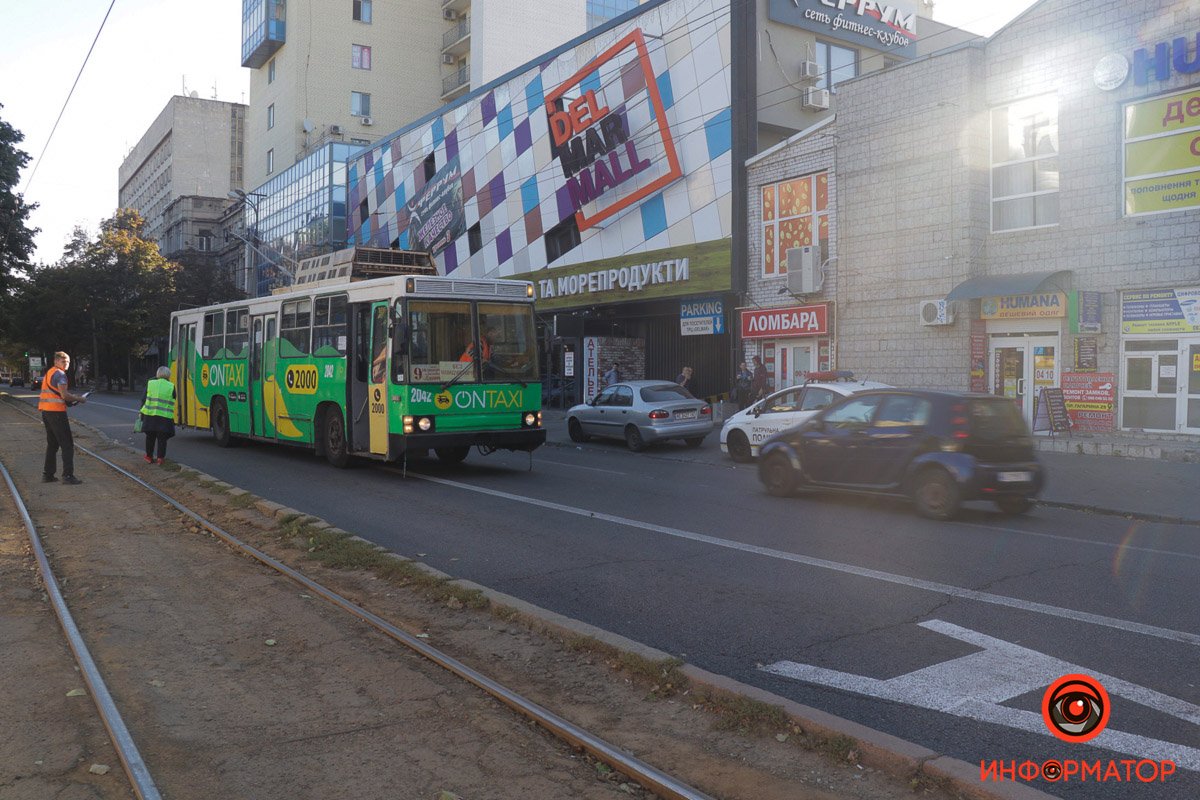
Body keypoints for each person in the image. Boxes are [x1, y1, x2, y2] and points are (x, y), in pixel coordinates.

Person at [39, 351, 87, 484]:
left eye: (68, 361)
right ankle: (68, 476)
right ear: (56, 361)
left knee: (53, 444)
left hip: (46, 411)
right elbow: (64, 395)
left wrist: (72, 398)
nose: (66, 364)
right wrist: (79, 399)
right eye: (63, 361)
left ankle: (48, 475)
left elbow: (57, 393)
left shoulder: (50, 372)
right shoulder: (60, 374)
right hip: (57, 413)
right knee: (67, 445)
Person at [139, 366, 177, 465]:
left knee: (150, 437)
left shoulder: (150, 383)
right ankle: (160, 459)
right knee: (162, 439)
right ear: (168, 375)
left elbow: (143, 399)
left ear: (157, 374)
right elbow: (174, 397)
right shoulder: (171, 386)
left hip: (150, 415)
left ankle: (149, 457)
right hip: (164, 417)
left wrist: (141, 413)